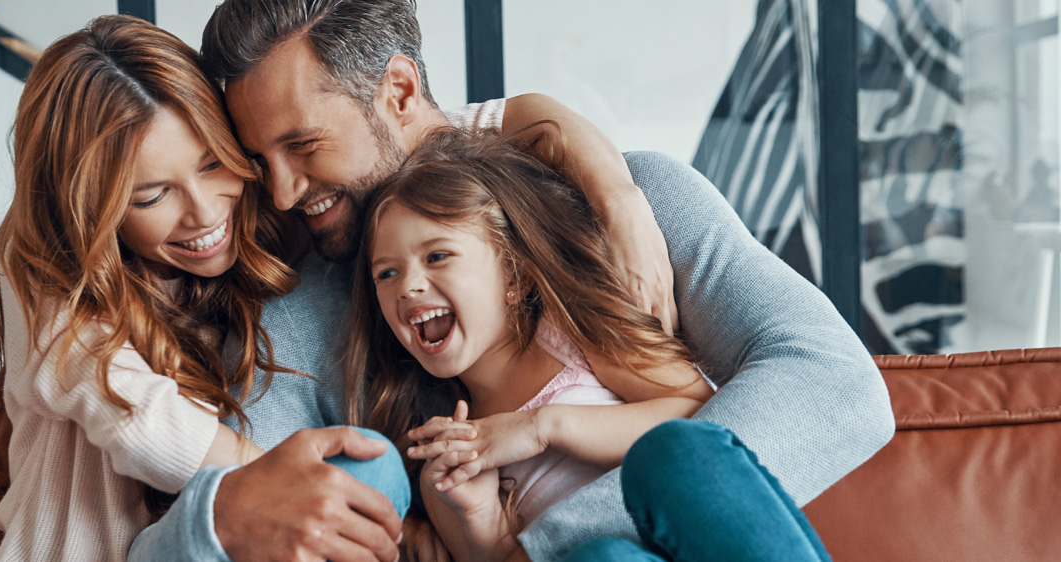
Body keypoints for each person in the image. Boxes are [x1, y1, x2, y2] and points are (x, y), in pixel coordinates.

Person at [128, 1, 894, 561]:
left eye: (304, 146)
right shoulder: (299, 315)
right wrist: (217, 522)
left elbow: (835, 388)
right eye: (261, 163)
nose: (286, 193)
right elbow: (236, 516)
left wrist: (531, 549)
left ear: (397, 92)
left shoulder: (629, 205)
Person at [0, 16, 407, 562]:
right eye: (152, 196)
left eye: (212, 164)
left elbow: (383, 140)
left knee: (377, 470)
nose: (205, 214)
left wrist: (524, 113)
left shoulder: (261, 215)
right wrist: (285, 490)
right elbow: (135, 417)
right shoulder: (43, 269)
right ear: (88, 211)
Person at [349, 129, 828, 562]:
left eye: (438, 256)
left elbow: (700, 416)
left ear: (514, 275)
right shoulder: (449, 452)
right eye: (386, 273)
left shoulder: (571, 337)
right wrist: (478, 518)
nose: (407, 287)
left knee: (678, 452)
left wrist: (544, 426)